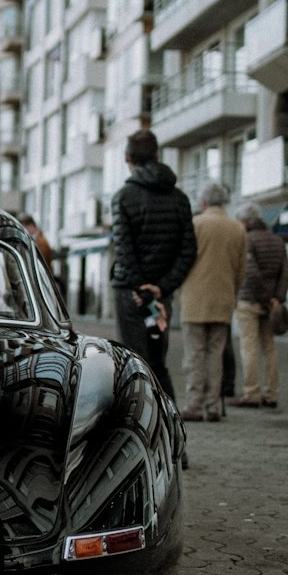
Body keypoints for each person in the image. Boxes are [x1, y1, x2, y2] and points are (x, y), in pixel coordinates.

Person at [110, 128, 197, 401]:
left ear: (128, 158)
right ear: (158, 156)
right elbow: (188, 251)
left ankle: (138, 420)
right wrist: (161, 288)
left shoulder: (123, 197)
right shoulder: (180, 199)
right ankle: (167, 418)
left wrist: (139, 288)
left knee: (133, 360)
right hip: (161, 297)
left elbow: (124, 249)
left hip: (129, 294)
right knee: (157, 358)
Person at [178, 183, 246, 422]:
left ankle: (194, 405)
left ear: (203, 202)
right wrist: (232, 293)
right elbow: (240, 269)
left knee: (194, 354)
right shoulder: (238, 228)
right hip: (223, 299)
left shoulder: (196, 225)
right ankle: (213, 405)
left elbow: (183, 261)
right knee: (215, 355)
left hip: (195, 299)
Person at [230, 204, 288, 407]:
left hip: (250, 300)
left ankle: (252, 394)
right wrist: (277, 298)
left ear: (246, 222)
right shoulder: (277, 240)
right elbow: (286, 273)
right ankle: (272, 394)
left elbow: (251, 272)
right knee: (269, 348)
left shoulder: (247, 240)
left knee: (248, 347)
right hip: (271, 304)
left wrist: (265, 298)